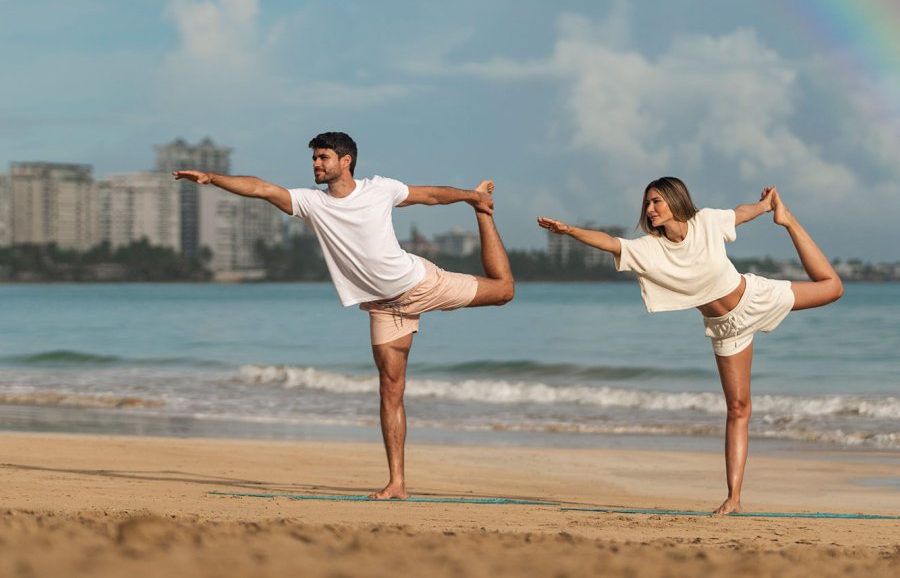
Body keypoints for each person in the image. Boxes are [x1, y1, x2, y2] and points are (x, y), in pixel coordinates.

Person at [174, 131, 515, 499]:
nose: (316, 165)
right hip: (384, 308)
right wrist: (213, 178)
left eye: (322, 158)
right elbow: (261, 188)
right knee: (390, 390)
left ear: (345, 161)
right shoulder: (310, 203)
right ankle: (397, 483)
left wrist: (473, 197)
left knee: (504, 291)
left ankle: (485, 215)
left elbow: (430, 195)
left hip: (419, 283)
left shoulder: (379, 189)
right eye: (314, 159)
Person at [537, 178, 842, 516]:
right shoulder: (650, 249)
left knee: (832, 288)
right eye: (647, 204)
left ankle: (790, 222)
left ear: (674, 199)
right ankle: (734, 499)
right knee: (738, 409)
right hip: (726, 329)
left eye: (656, 201)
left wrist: (766, 207)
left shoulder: (706, 222)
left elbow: (739, 214)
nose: (650, 209)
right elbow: (611, 243)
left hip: (754, 298)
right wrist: (569, 230)